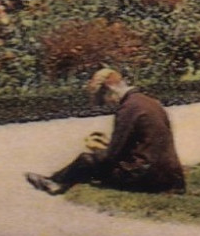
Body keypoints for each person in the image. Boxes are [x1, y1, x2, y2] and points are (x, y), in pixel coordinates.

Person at [25, 68, 185, 195]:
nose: (107, 103)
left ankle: (55, 182)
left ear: (109, 89)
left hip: (145, 176)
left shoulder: (128, 108)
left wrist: (98, 150)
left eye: (103, 98)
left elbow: (113, 155)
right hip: (171, 175)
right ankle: (55, 179)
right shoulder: (149, 102)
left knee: (86, 160)